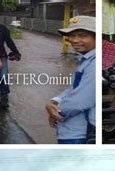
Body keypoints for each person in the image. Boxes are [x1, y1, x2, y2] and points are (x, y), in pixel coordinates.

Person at [45, 16, 96, 144]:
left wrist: (56, 113)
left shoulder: (94, 63)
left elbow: (80, 101)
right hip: (72, 129)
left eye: (82, 35)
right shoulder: (85, 61)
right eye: (72, 36)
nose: (74, 40)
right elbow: (74, 88)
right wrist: (54, 102)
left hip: (80, 132)